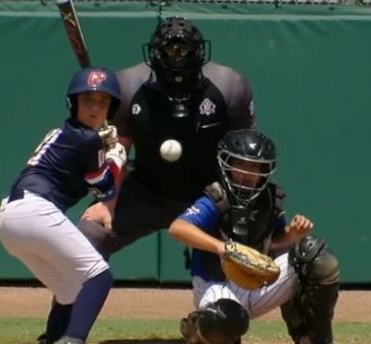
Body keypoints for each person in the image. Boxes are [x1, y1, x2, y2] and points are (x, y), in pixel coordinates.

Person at [168, 129, 351, 344]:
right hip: (218, 284)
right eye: (241, 165)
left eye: (255, 167)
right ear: (227, 165)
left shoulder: (269, 200)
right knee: (226, 320)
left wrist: (292, 235)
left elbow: (272, 243)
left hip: (258, 283)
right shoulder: (215, 198)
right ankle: (195, 338)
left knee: (314, 254)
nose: (247, 174)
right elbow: (177, 228)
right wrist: (222, 248)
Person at [79, 15, 256, 259]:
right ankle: (69, 299)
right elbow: (118, 151)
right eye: (170, 51)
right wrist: (108, 202)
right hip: (146, 192)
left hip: (209, 198)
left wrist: (241, 211)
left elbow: (243, 157)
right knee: (87, 236)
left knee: (249, 252)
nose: (177, 57)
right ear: (154, 54)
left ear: (199, 53)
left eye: (183, 51)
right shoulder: (128, 86)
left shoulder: (230, 85)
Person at [0, 66, 127, 344]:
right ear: (74, 103)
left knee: (70, 290)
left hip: (11, 219)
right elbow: (106, 188)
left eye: (102, 101)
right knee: (99, 275)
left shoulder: (69, 134)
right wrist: (116, 158)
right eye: (87, 100)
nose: (95, 108)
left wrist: (102, 148)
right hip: (34, 211)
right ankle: (74, 343)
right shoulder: (84, 139)